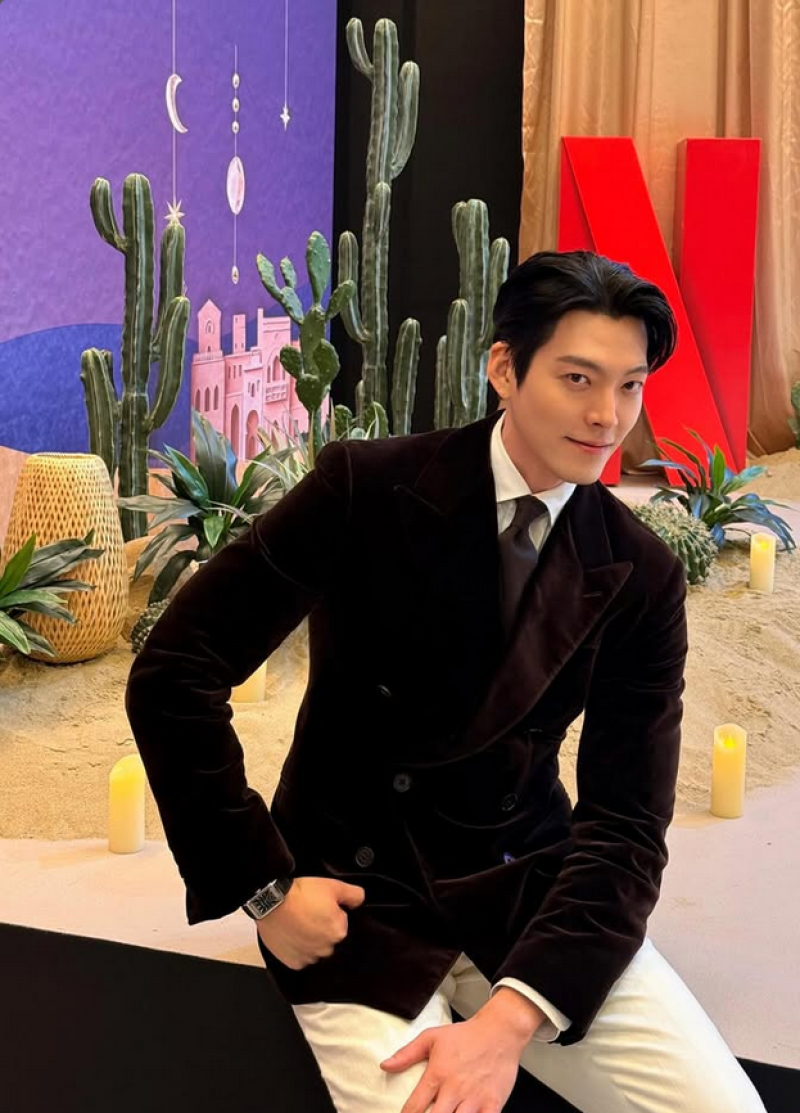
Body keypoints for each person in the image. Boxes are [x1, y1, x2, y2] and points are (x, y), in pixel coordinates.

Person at [126, 251, 765, 1113]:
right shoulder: (365, 487)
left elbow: (625, 823)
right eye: (578, 378)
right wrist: (264, 885)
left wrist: (511, 1018)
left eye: (630, 386)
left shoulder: (638, 571)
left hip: (525, 889)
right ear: (503, 366)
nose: (607, 416)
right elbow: (175, 671)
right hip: (353, 900)